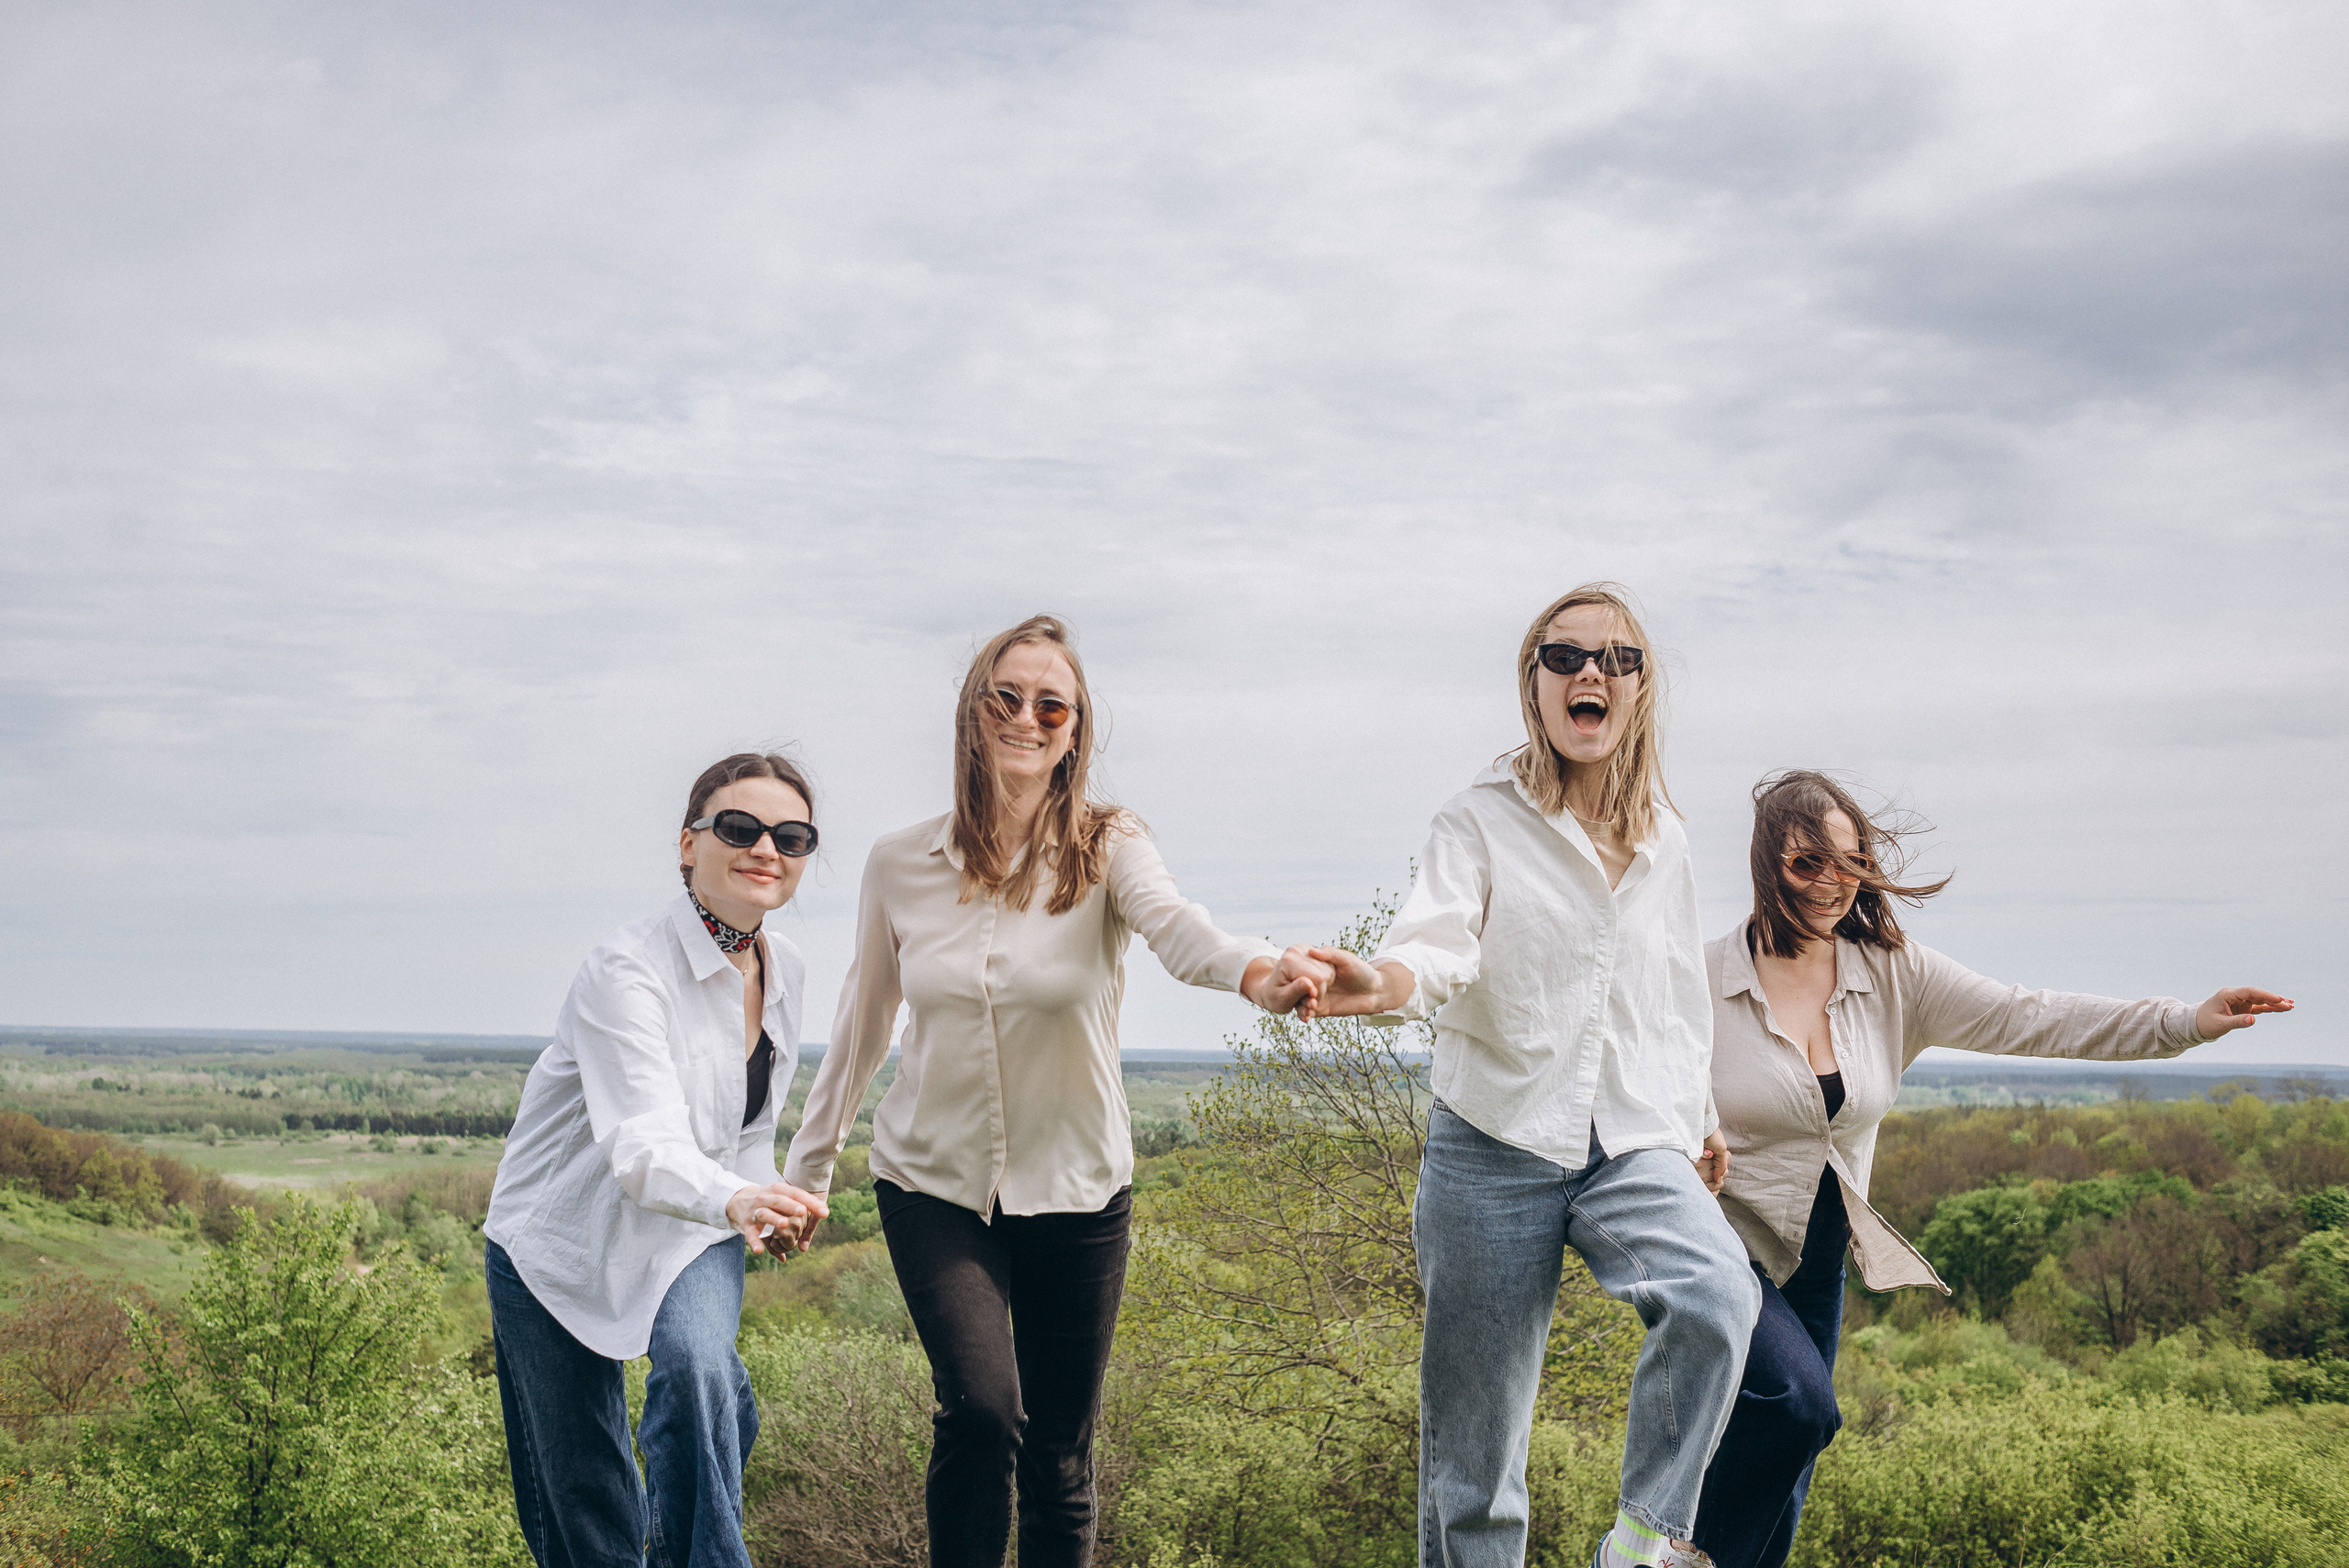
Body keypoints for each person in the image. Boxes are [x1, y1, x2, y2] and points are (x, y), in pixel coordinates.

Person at [781, 614, 1327, 1568]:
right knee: (984, 1412)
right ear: (972, 711)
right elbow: (864, 1022)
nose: (1025, 716)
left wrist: (1261, 970)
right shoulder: (900, 863)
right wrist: (809, 1170)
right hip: (933, 1184)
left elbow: (1182, 930)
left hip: (1077, 1194)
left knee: (1060, 1453)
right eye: (1006, 696)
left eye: (1051, 704)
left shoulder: (1109, 847)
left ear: (1073, 730)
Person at [1689, 769, 2295, 1568]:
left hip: (1819, 1259)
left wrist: (2184, 1022)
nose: (1833, 884)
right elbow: (1636, 1086)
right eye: (1809, 863)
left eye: (1850, 861)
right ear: (1768, 865)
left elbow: (2030, 1014)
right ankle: (1669, 1554)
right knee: (1801, 1410)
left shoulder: (1892, 974)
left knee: (1787, 1464)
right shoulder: (1700, 977)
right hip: (1720, 1247)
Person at [1297, 583, 1759, 1568]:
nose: (1591, 672)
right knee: (1475, 1452)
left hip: (1630, 1136)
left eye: (1616, 658)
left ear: (1638, 689)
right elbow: (1437, 945)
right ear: (1534, 683)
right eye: (1566, 656)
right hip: (1493, 1142)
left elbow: (1671, 988)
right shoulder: (1477, 822)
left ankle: (1642, 1540)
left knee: (1718, 1294)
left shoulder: (1664, 840)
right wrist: (1379, 981)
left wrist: (1698, 1114)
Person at [484, 751, 833, 1568]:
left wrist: (764, 1195)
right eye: (740, 828)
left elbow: (747, 1130)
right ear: (689, 844)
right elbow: (641, 1146)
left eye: (792, 835)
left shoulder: (789, 970)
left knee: (698, 1368)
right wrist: (739, 1199)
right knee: (588, 1511)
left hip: (691, 1229)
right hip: (556, 1249)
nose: (766, 849)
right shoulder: (626, 967)